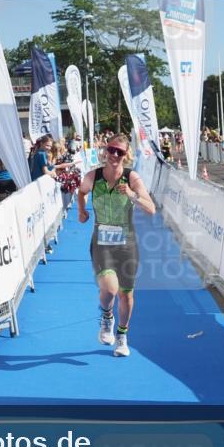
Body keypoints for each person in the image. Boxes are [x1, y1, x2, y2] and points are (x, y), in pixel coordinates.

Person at [76, 134, 155, 358]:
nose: (115, 155)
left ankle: (122, 335)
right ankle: (107, 316)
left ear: (126, 155)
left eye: (120, 152)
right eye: (112, 150)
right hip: (101, 242)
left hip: (126, 243)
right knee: (110, 289)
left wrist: (132, 195)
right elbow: (81, 192)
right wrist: (82, 211)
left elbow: (151, 209)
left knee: (126, 295)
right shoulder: (93, 176)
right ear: (105, 151)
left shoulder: (132, 178)